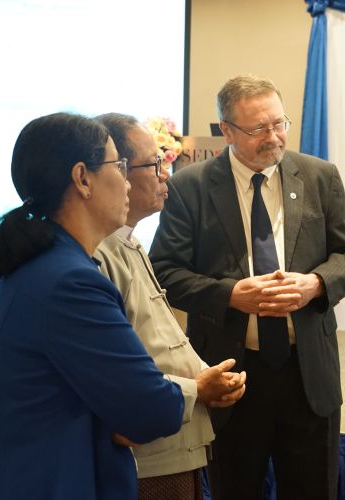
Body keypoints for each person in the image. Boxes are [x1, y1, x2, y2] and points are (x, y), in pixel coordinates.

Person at [149, 75, 345, 500]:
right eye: (258, 129)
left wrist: (316, 284)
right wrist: (231, 294)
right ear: (226, 131)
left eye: (279, 123)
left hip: (308, 376)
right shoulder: (190, 187)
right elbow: (164, 271)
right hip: (232, 375)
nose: (273, 137)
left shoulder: (320, 176)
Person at [0, 112, 186, 499]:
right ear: (82, 178)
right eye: (118, 165)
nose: (126, 180)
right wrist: (128, 412)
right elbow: (156, 409)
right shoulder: (70, 283)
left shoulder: (43, 264)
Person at [93, 113, 247, 500]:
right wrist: (197, 387)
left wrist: (203, 379)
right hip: (147, 457)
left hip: (175, 443)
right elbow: (117, 376)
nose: (166, 174)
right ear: (118, 172)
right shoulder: (98, 255)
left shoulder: (130, 242)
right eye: (155, 163)